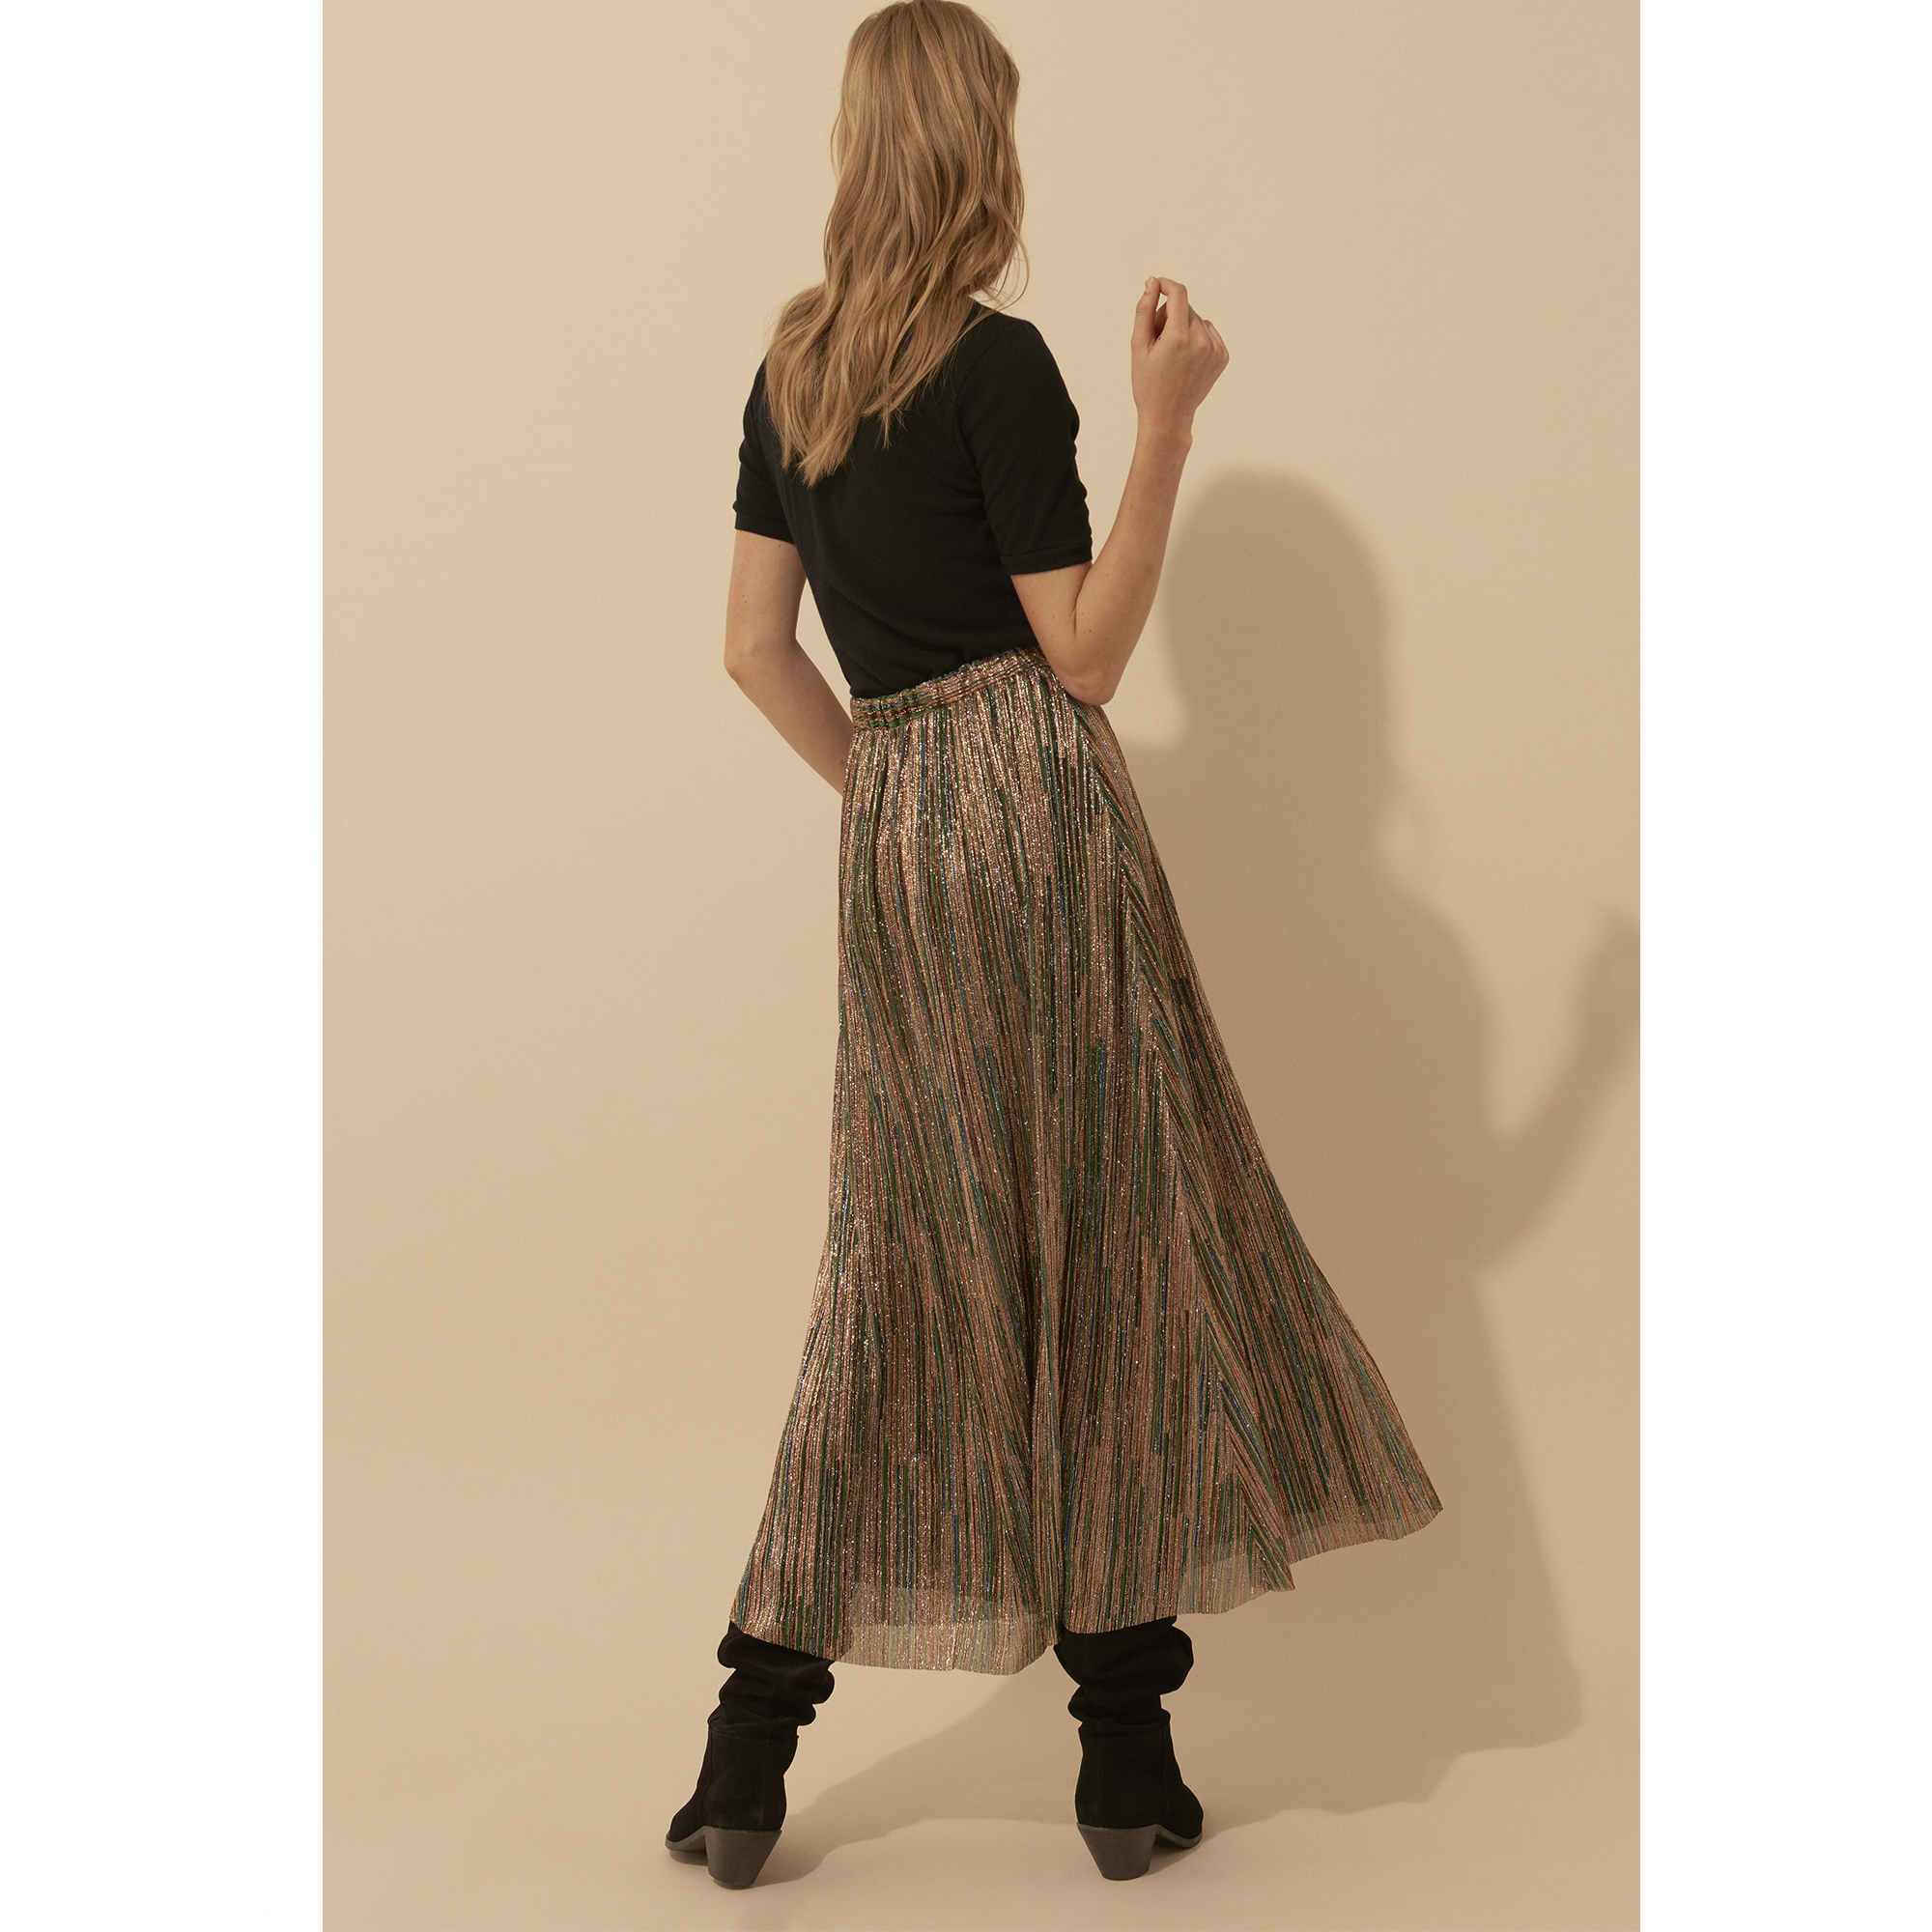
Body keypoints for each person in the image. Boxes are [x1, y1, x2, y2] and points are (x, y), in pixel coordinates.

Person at [667, 0, 1442, 1890]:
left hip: (900, 843)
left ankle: (746, 1750)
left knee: (906, 1263)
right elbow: (1082, 657)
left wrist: (887, 791)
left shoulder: (792, 371)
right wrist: (1167, 423)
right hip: (1038, 814)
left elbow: (753, 648)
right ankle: (1123, 1762)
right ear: (978, 150)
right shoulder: (996, 365)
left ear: (860, 147)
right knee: (1107, 1254)